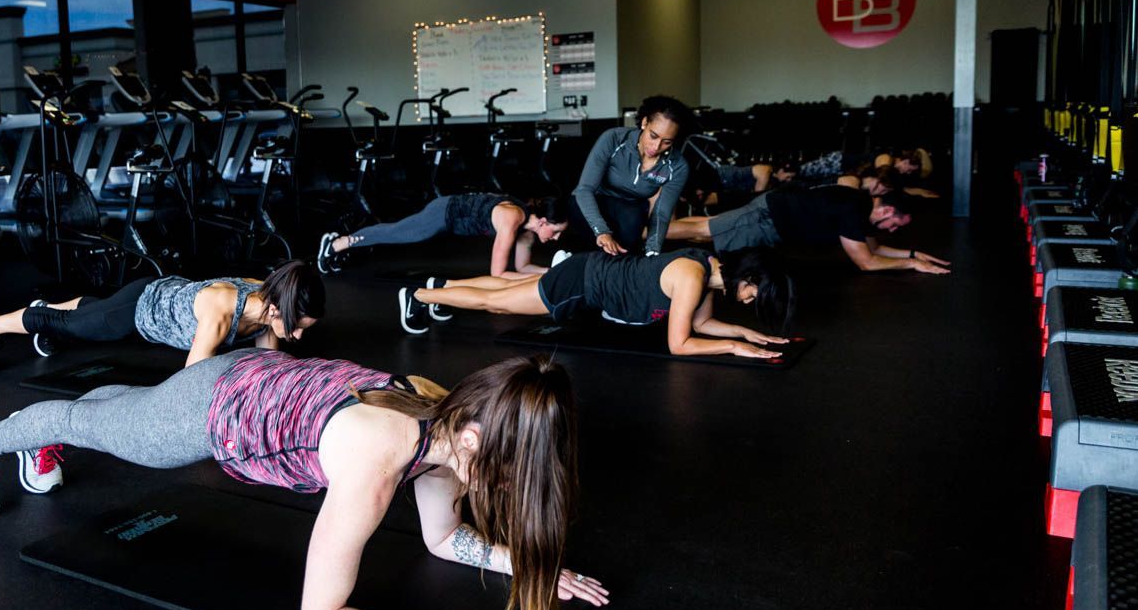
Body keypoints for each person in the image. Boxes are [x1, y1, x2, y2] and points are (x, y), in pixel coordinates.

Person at [0, 351, 609, 610]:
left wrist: (524, 564)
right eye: (507, 473)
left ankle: (90, 420)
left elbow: (440, 539)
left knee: (119, 416)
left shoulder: (449, 414)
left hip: (263, 376)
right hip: (214, 412)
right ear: (470, 441)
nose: (507, 487)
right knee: (96, 426)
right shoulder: (382, 455)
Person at [399, 248, 794, 359]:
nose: (746, 302)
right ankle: (420, 296)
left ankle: (442, 286)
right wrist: (734, 348)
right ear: (749, 278)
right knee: (498, 304)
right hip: (583, 281)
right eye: (753, 295)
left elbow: (702, 325)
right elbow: (679, 344)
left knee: (506, 288)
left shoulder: (706, 271)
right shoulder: (693, 278)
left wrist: (747, 334)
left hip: (589, 269)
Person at [0, 260, 324, 374]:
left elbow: (269, 363)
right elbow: (193, 377)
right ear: (277, 309)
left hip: (158, 293)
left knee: (90, 311)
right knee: (72, 326)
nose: (298, 336)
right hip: (138, 311)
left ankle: (45, 310)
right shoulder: (223, 308)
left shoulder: (269, 301)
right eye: (296, 327)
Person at [665, 184, 951, 274]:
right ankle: (640, 234)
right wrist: (912, 265)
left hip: (771, 209)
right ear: (888, 210)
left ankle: (652, 227)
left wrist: (911, 253)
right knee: (703, 231)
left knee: (703, 228)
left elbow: (873, 249)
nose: (892, 230)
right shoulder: (855, 210)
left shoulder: (860, 205)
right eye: (895, 224)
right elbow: (866, 261)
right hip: (768, 217)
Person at [317, 194, 567, 278]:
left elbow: (522, 268)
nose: (555, 238)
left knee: (400, 233)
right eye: (555, 232)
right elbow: (497, 274)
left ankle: (340, 242)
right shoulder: (513, 218)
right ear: (543, 221)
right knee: (399, 234)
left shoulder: (527, 235)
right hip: (444, 213)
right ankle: (338, 243)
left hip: (449, 219)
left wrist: (551, 272)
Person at [568, 95, 692, 257]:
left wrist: (653, 252)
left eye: (667, 142)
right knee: (576, 205)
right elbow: (584, 189)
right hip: (596, 202)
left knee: (632, 225)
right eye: (653, 136)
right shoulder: (613, 139)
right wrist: (602, 232)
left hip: (631, 211)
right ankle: (579, 261)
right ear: (644, 123)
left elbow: (661, 214)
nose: (656, 147)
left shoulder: (677, 166)